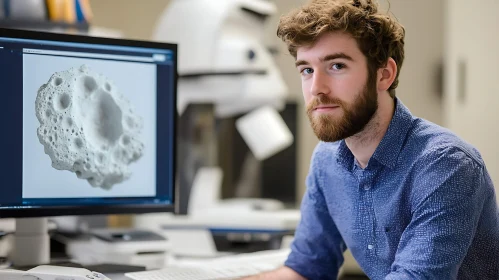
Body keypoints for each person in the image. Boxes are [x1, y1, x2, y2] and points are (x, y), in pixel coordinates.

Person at [243, 0, 499, 279]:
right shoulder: (327, 159)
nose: (316, 88)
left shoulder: (445, 164)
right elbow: (306, 269)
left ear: (384, 74)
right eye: (307, 70)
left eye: (337, 66)